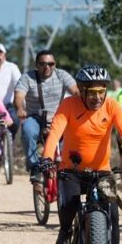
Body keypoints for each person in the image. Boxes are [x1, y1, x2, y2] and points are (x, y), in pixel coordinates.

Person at [37, 64, 122, 244]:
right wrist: (48, 157)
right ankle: (65, 231)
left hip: (102, 172)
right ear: (82, 90)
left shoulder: (112, 106)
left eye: (101, 91)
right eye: (92, 92)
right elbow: (56, 131)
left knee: (113, 215)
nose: (97, 97)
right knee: (69, 204)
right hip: (71, 170)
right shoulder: (68, 105)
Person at [14, 50, 78, 186]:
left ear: (55, 65)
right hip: (36, 117)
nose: (47, 67)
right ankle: (34, 167)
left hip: (58, 118)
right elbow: (19, 96)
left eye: (51, 64)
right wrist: (20, 108)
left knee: (71, 137)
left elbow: (76, 91)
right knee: (27, 130)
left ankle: (68, 168)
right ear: (36, 65)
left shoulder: (62, 75)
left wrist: (83, 102)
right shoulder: (27, 77)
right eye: (42, 64)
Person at [0, 43, 21, 139]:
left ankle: (11, 141)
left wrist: (22, 105)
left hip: (7, 105)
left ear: (4, 56)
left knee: (15, 120)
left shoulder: (12, 67)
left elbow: (19, 86)